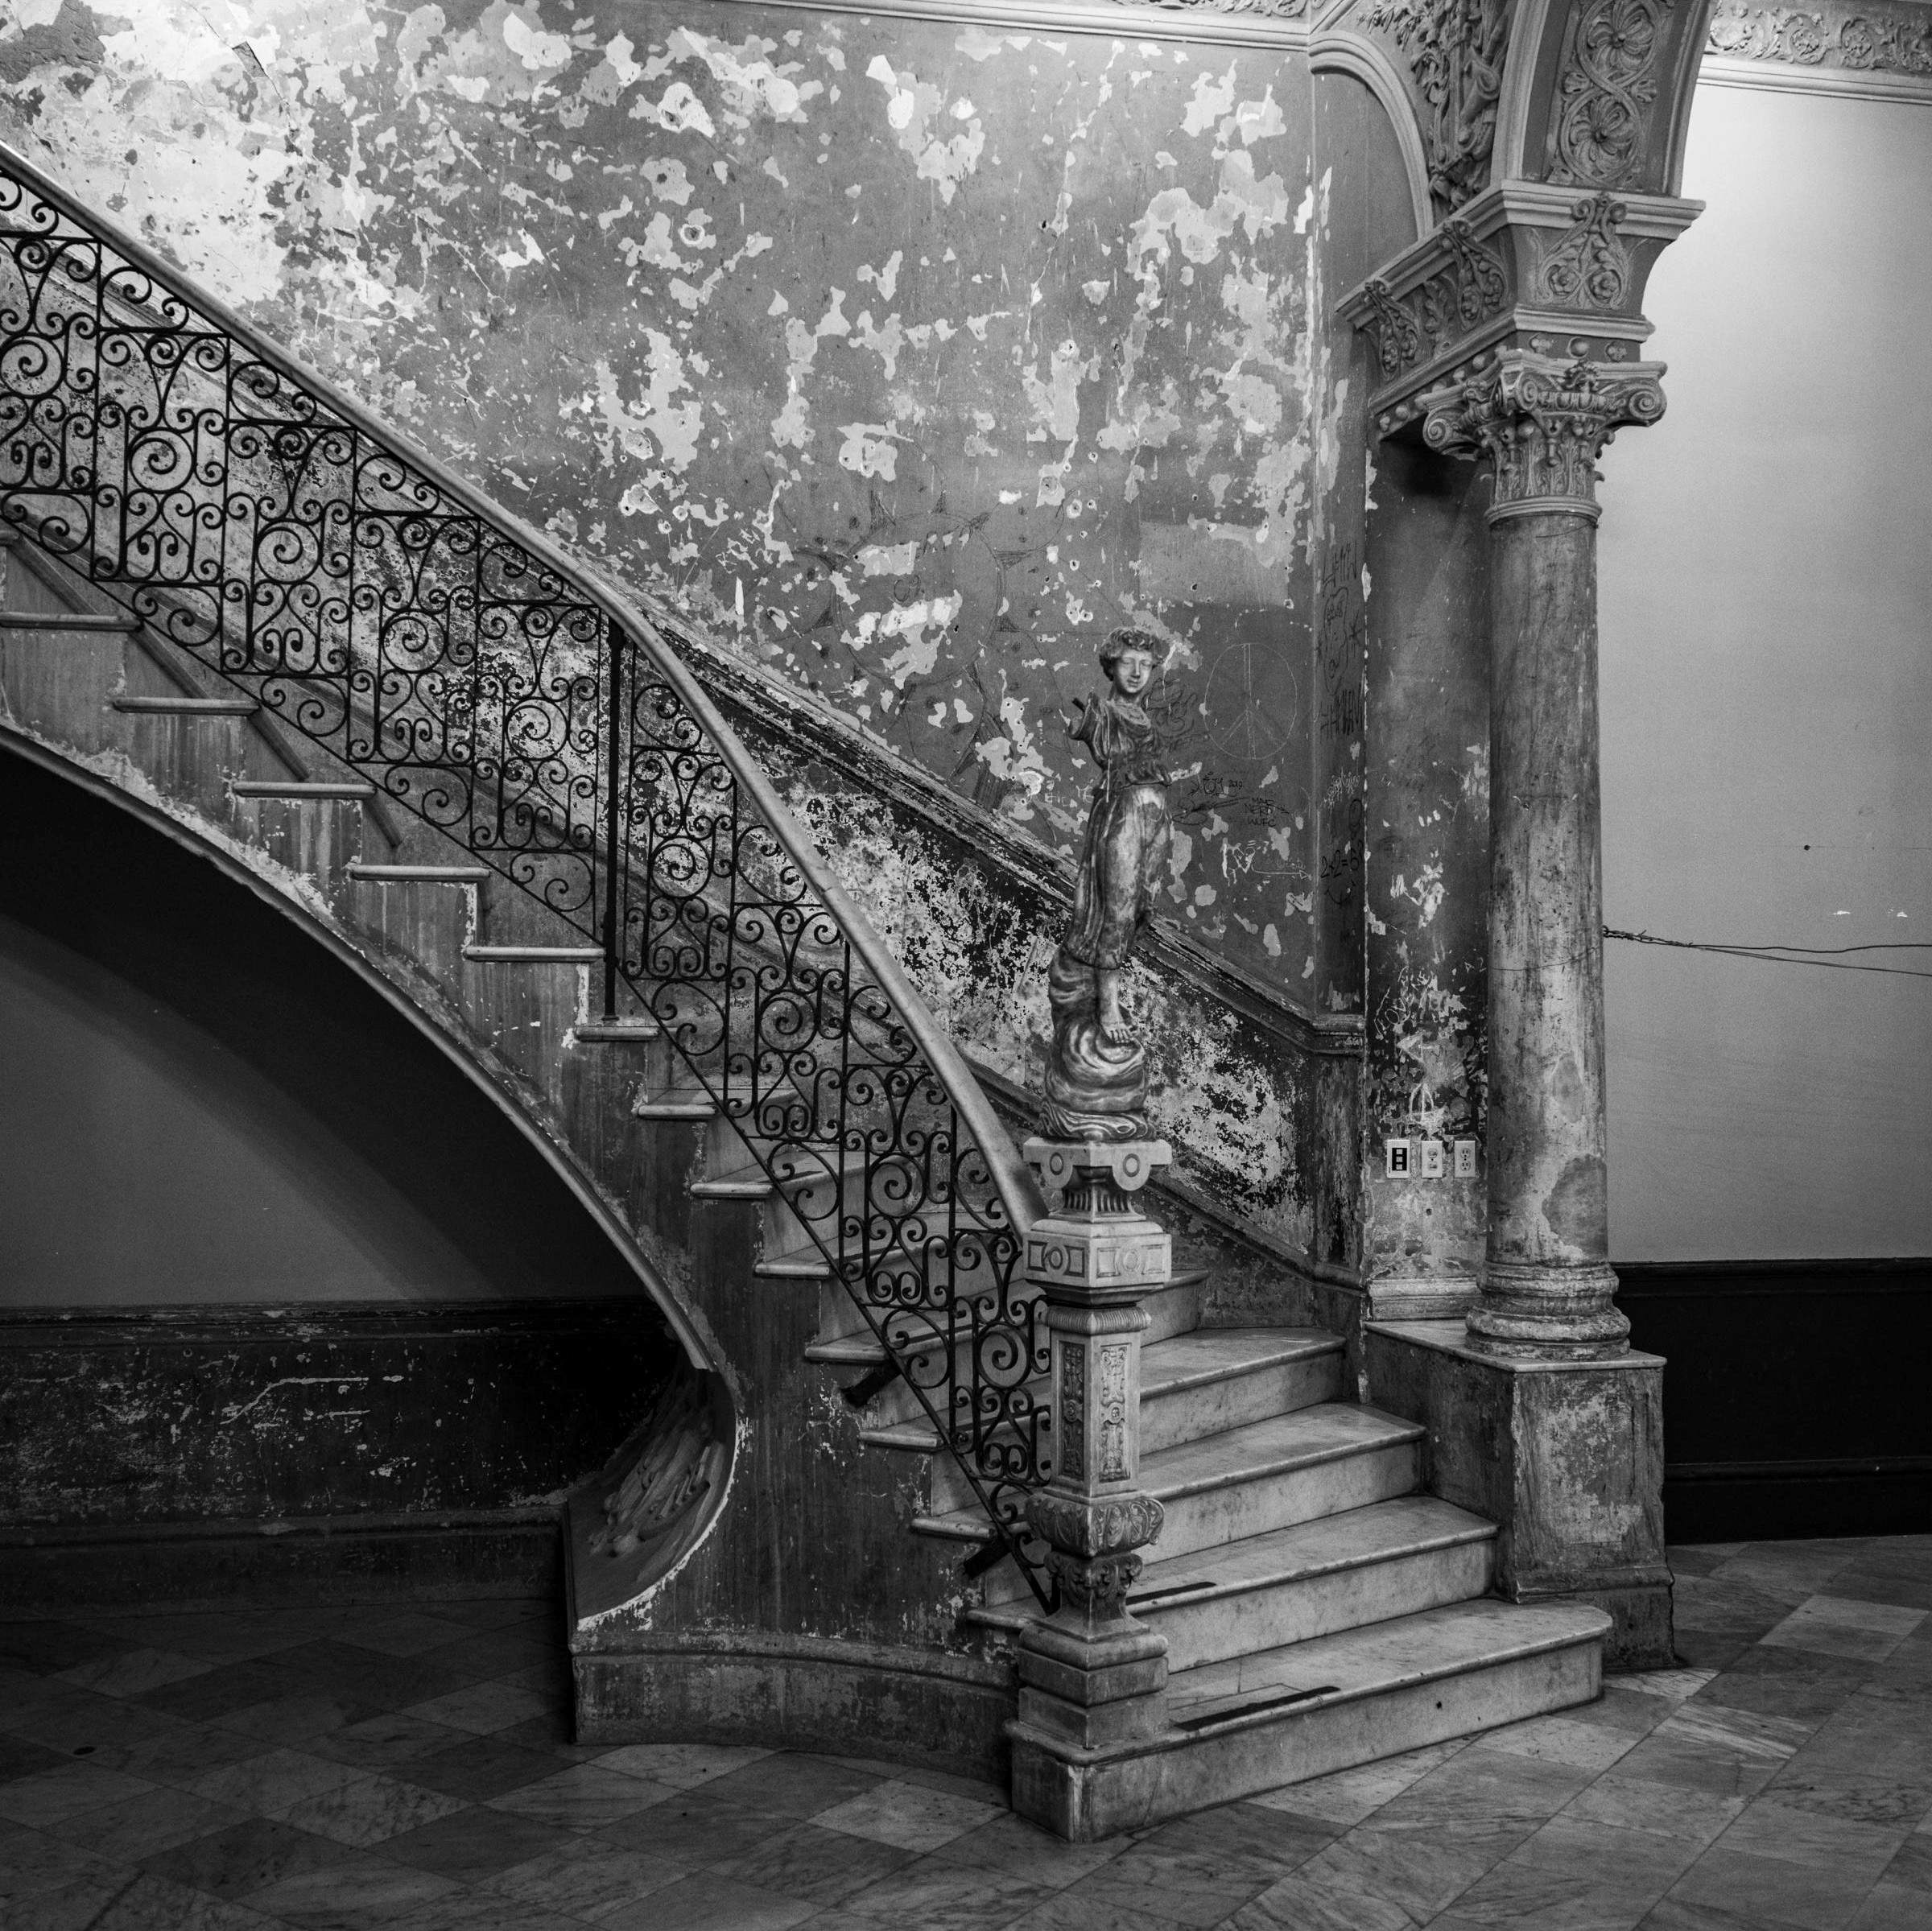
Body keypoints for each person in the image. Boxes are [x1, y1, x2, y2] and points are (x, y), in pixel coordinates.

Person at [1042, 628, 1172, 1139]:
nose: (1137, 671)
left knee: (1137, 906)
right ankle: (1107, 1002)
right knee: (1115, 908)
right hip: (1121, 808)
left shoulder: (1148, 718)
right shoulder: (1103, 709)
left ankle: (1105, 1000)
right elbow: (1089, 726)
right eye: (1127, 662)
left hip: (1155, 812)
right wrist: (1080, 726)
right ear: (1111, 667)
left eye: (1146, 663)